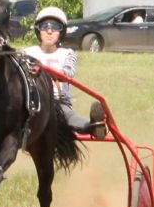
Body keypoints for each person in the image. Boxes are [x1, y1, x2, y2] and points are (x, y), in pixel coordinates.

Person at [18, 7, 103, 137]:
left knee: (67, 114)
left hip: (57, 102)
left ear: (61, 32)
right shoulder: (26, 53)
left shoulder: (67, 54)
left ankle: (93, 126)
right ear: (38, 30)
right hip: (30, 102)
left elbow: (68, 73)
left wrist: (46, 71)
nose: (49, 31)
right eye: (44, 26)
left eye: (55, 27)